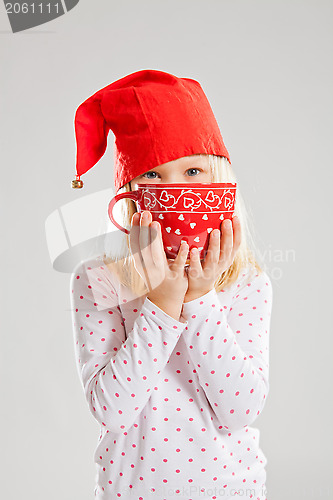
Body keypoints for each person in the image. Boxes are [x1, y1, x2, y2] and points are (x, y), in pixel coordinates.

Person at [70, 69, 273, 500]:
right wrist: (161, 305)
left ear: (222, 185)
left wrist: (200, 299)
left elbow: (240, 411)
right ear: (129, 196)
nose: (175, 190)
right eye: (154, 176)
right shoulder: (99, 280)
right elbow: (112, 410)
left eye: (193, 171)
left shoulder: (247, 282)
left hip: (233, 491)